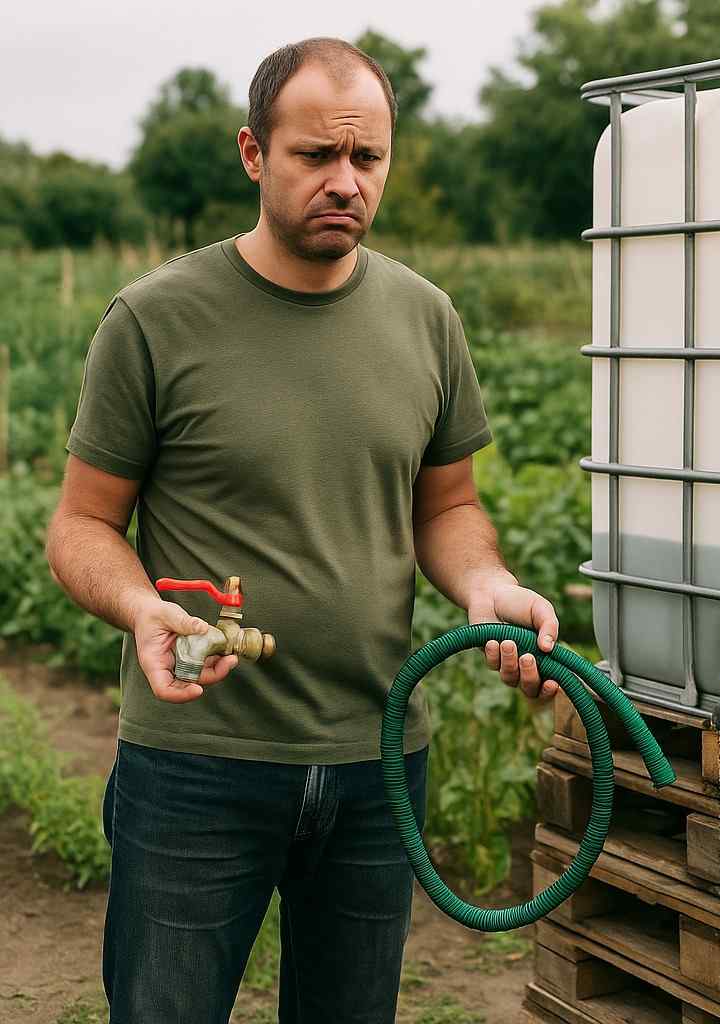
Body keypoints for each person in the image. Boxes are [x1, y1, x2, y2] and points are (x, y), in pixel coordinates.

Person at [44, 35, 563, 1024]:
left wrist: (485, 586)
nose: (345, 181)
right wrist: (141, 607)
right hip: (197, 763)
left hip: (377, 758)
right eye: (315, 155)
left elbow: (447, 507)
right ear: (253, 153)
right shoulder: (154, 320)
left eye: (367, 157)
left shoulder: (426, 319)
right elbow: (81, 525)